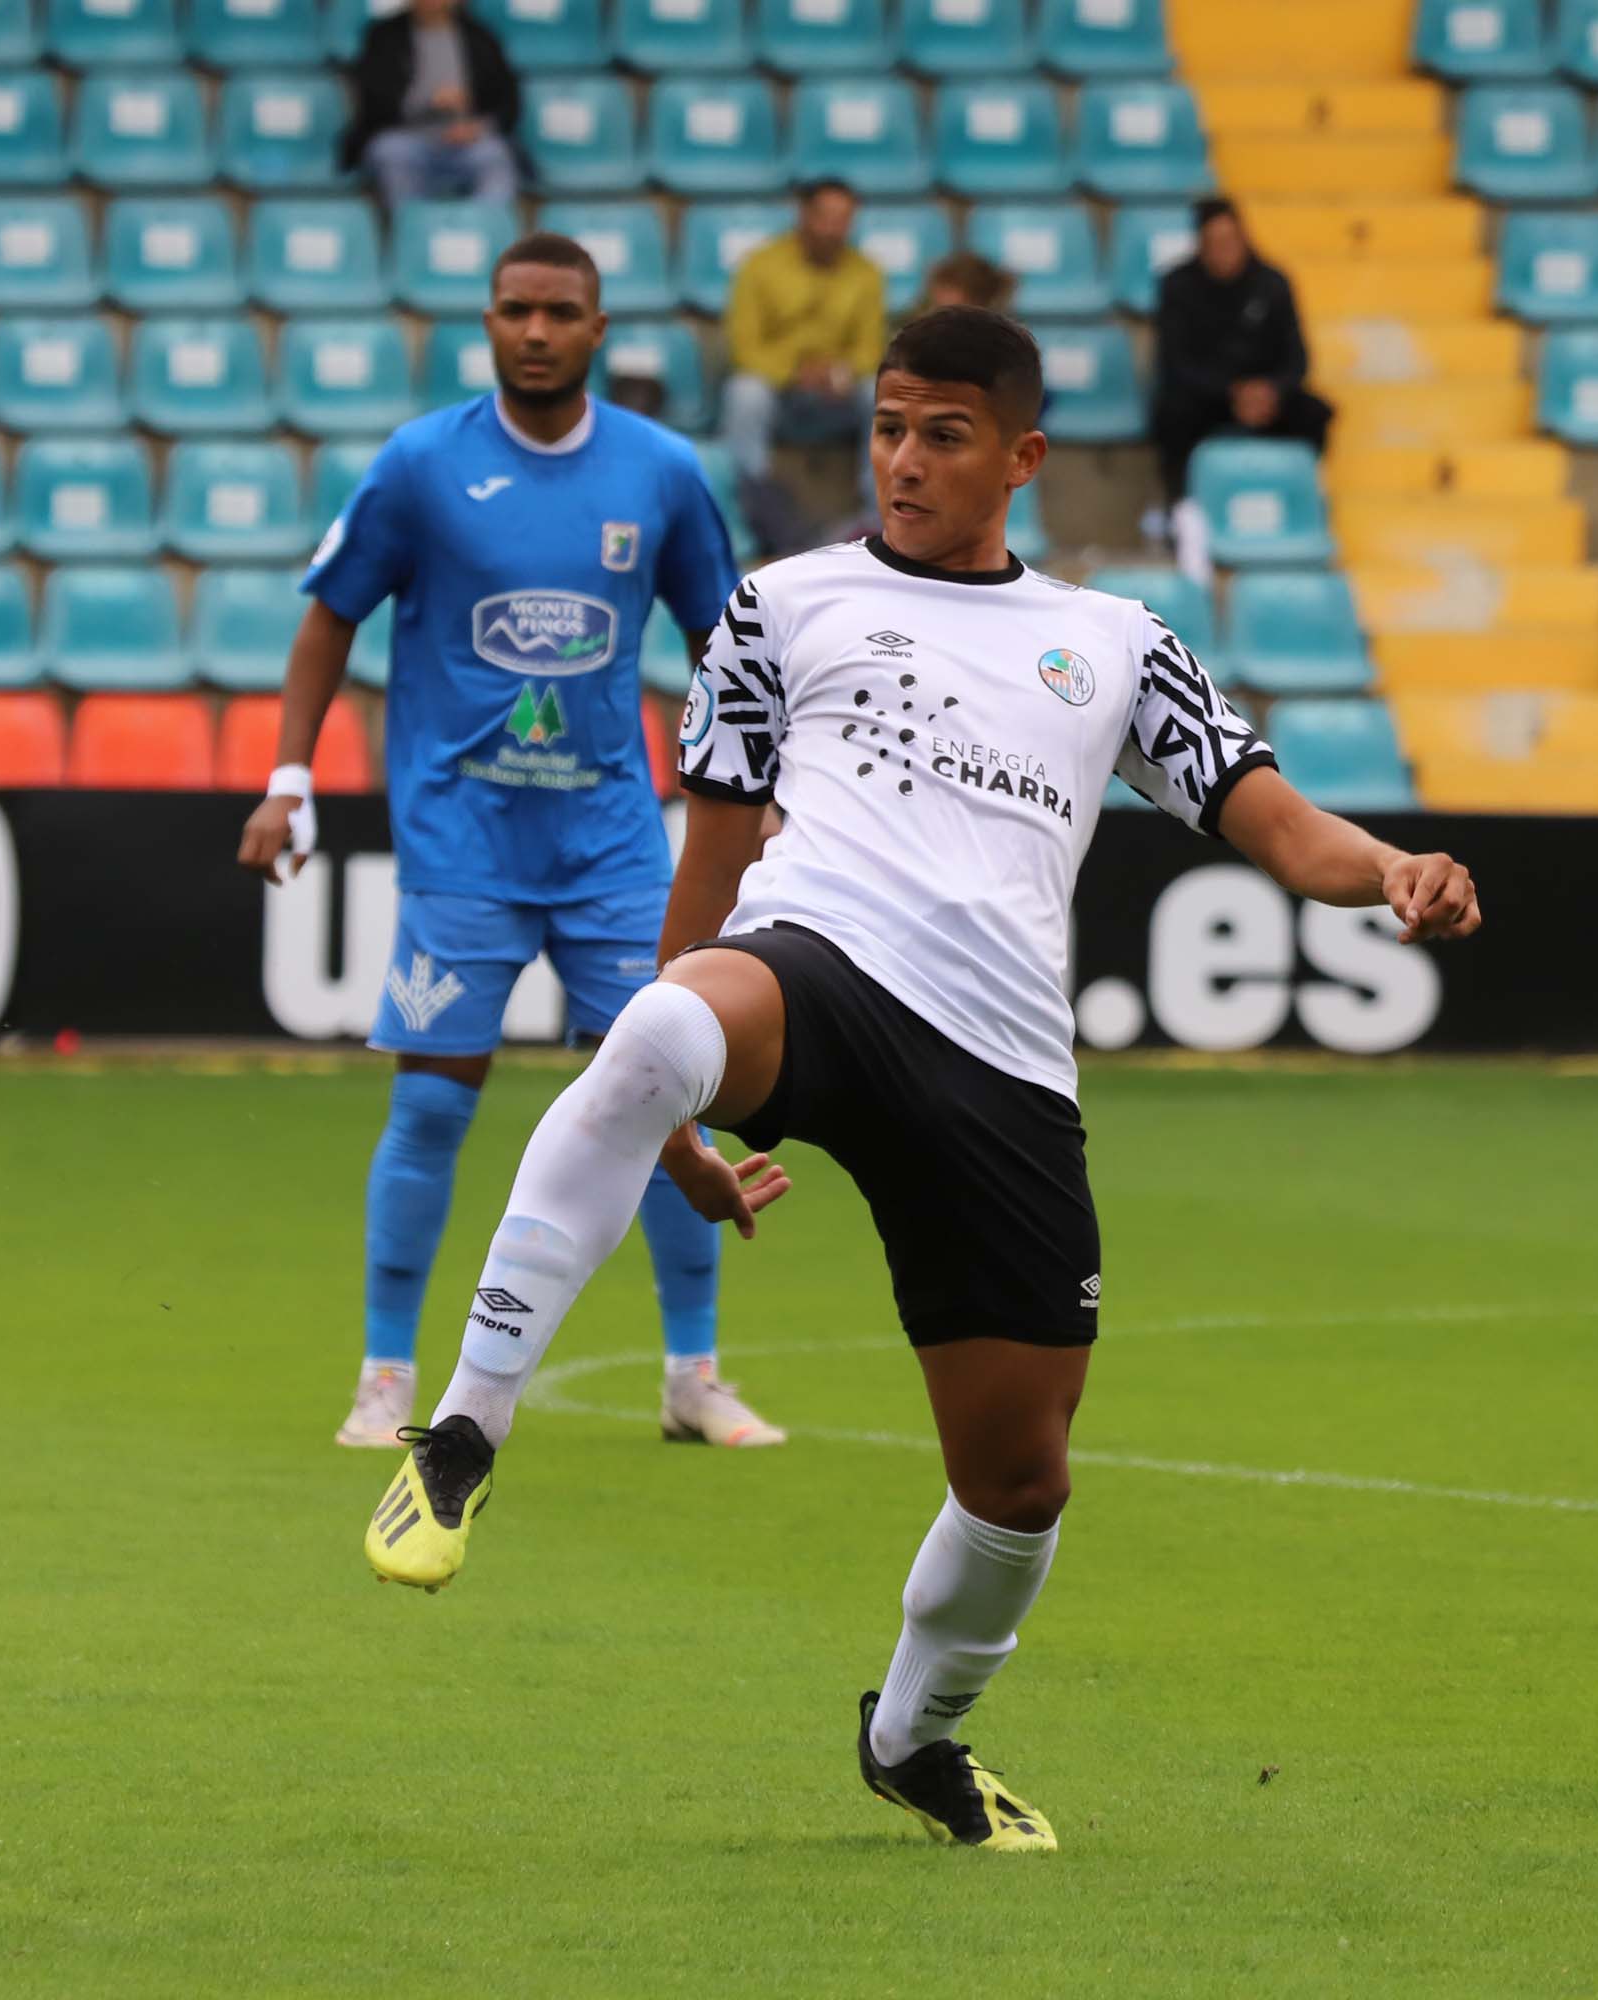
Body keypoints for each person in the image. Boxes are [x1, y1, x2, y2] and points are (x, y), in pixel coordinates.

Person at [360, 308, 1483, 1850]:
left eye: (942, 434)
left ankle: (912, 1736)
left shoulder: (1114, 643)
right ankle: (464, 1433)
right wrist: (672, 1076)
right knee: (663, 1024)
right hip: (814, 970)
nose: (902, 459)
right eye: (889, 427)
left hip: (1004, 1070)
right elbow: (718, 849)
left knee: (1021, 1483)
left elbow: (1278, 825)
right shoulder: (779, 606)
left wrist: (1396, 867)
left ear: (1020, 457)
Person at [236, 233, 785, 1454]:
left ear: (599, 329)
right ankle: (386, 1377)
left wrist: (759, 795)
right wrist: (290, 775)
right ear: (487, 323)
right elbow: (329, 618)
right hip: (463, 841)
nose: (536, 330)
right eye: (515, 310)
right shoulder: (424, 463)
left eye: (561, 311)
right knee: (431, 1110)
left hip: (613, 845)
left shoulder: (661, 471)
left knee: (663, 1096)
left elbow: (724, 645)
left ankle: (693, 1373)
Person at [1149, 197, 1332, 509]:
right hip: (1207, 398)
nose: (1225, 249)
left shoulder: (1273, 283)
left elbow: (1297, 359)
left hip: (1266, 397)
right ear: (1200, 244)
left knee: (1315, 413)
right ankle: (1181, 509)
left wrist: (1271, 390)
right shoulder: (1177, 285)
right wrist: (1231, 392)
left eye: (1231, 240)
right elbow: (1175, 363)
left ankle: (1299, 501)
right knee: (1172, 413)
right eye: (1215, 242)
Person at [719, 180, 887, 499]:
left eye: (843, 220)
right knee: (745, 393)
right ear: (803, 215)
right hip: (779, 394)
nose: (832, 229)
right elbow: (744, 349)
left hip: (837, 394)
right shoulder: (760, 265)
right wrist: (797, 373)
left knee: (879, 394)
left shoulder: (867, 272)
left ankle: (877, 508)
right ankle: (752, 502)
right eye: (825, 217)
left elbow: (870, 349)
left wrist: (838, 373)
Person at [339, 0, 524, 207]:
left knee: (496, 155)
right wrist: (428, 102)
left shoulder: (481, 36)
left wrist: (479, 127)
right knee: (389, 151)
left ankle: (483, 231)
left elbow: (508, 101)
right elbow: (373, 104)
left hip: (467, 143)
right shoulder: (382, 36)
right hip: (407, 138)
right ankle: (412, 228)